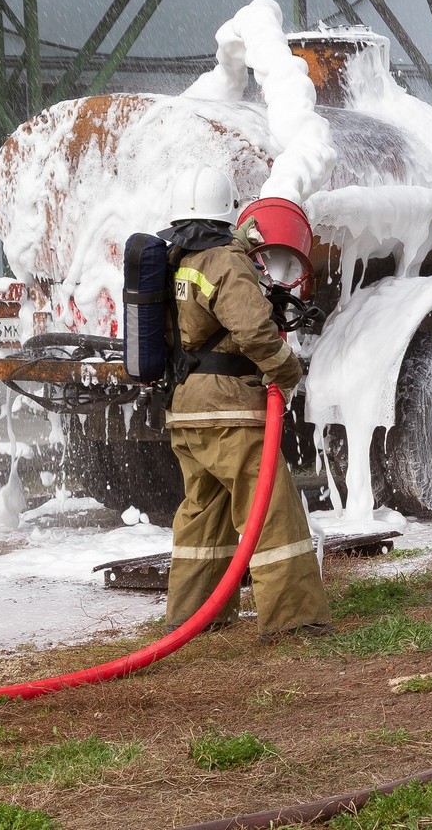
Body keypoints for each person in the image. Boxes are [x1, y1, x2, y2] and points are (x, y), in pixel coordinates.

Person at [159, 166, 332, 640]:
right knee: (270, 508)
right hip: (229, 409)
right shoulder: (222, 261)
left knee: (203, 512)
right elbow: (252, 330)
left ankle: (194, 615)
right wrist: (287, 369)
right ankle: (295, 618)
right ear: (227, 210)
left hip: (186, 409)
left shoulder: (172, 259)